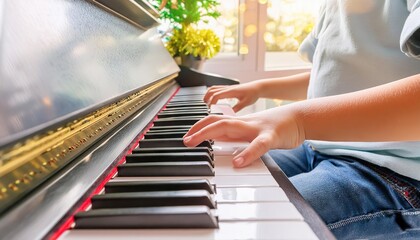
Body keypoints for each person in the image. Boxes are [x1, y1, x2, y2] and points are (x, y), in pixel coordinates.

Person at [183, 0, 420, 239]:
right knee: (222, 172)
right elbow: (331, 76)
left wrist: (298, 121)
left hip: (392, 170)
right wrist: (261, 88)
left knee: (258, 219)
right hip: (316, 148)